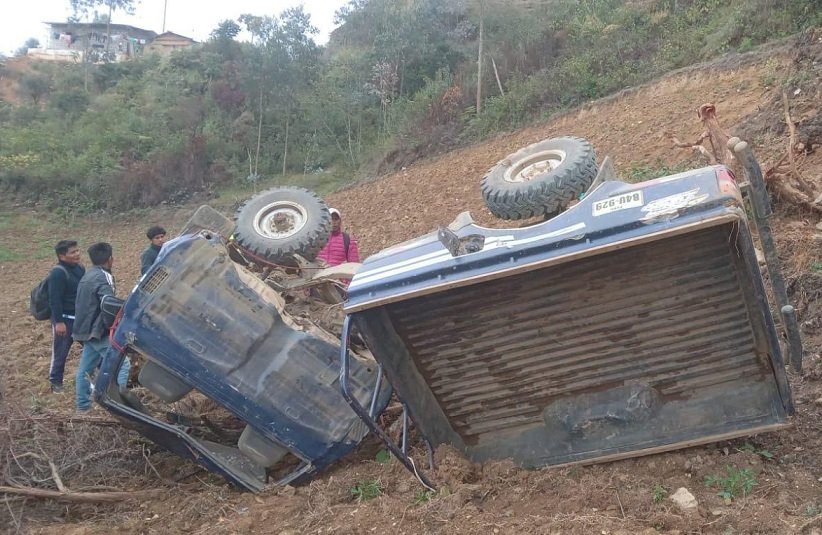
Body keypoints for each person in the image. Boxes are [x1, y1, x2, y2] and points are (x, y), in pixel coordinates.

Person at [73, 242, 130, 412]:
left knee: (86, 368)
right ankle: (118, 405)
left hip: (83, 329)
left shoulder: (88, 275)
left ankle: (83, 406)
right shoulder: (104, 276)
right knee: (123, 364)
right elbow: (108, 304)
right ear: (110, 259)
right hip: (96, 331)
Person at [47, 240, 86, 393]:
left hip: (80, 319)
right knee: (60, 352)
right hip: (65, 320)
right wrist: (59, 322)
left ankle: (97, 378)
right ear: (62, 256)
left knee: (93, 348)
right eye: (72, 252)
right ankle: (56, 382)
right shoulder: (58, 273)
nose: (77, 254)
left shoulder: (80, 268)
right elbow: (54, 299)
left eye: (77, 251)